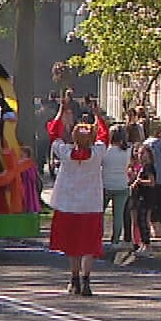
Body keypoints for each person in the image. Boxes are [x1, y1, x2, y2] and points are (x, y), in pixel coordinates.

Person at [48, 101, 107, 296]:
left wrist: (61, 113)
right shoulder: (97, 153)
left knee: (72, 245)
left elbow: (54, 135)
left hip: (69, 204)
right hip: (91, 205)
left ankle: (74, 280)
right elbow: (104, 135)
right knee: (89, 244)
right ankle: (86, 279)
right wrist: (97, 115)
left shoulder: (65, 153)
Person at [100, 126, 135, 252]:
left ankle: (98, 237)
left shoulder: (105, 151)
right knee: (118, 215)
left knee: (100, 213)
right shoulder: (127, 151)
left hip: (106, 184)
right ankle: (115, 240)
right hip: (122, 185)